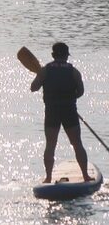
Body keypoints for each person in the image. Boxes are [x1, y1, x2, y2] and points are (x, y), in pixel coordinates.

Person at [30, 42, 93, 184]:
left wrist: (39, 76)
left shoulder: (45, 71)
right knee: (77, 143)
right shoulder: (74, 71)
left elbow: (33, 88)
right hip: (69, 111)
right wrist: (70, 99)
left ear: (53, 55)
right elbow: (81, 92)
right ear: (66, 55)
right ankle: (85, 176)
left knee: (50, 144)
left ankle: (48, 177)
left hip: (52, 111)